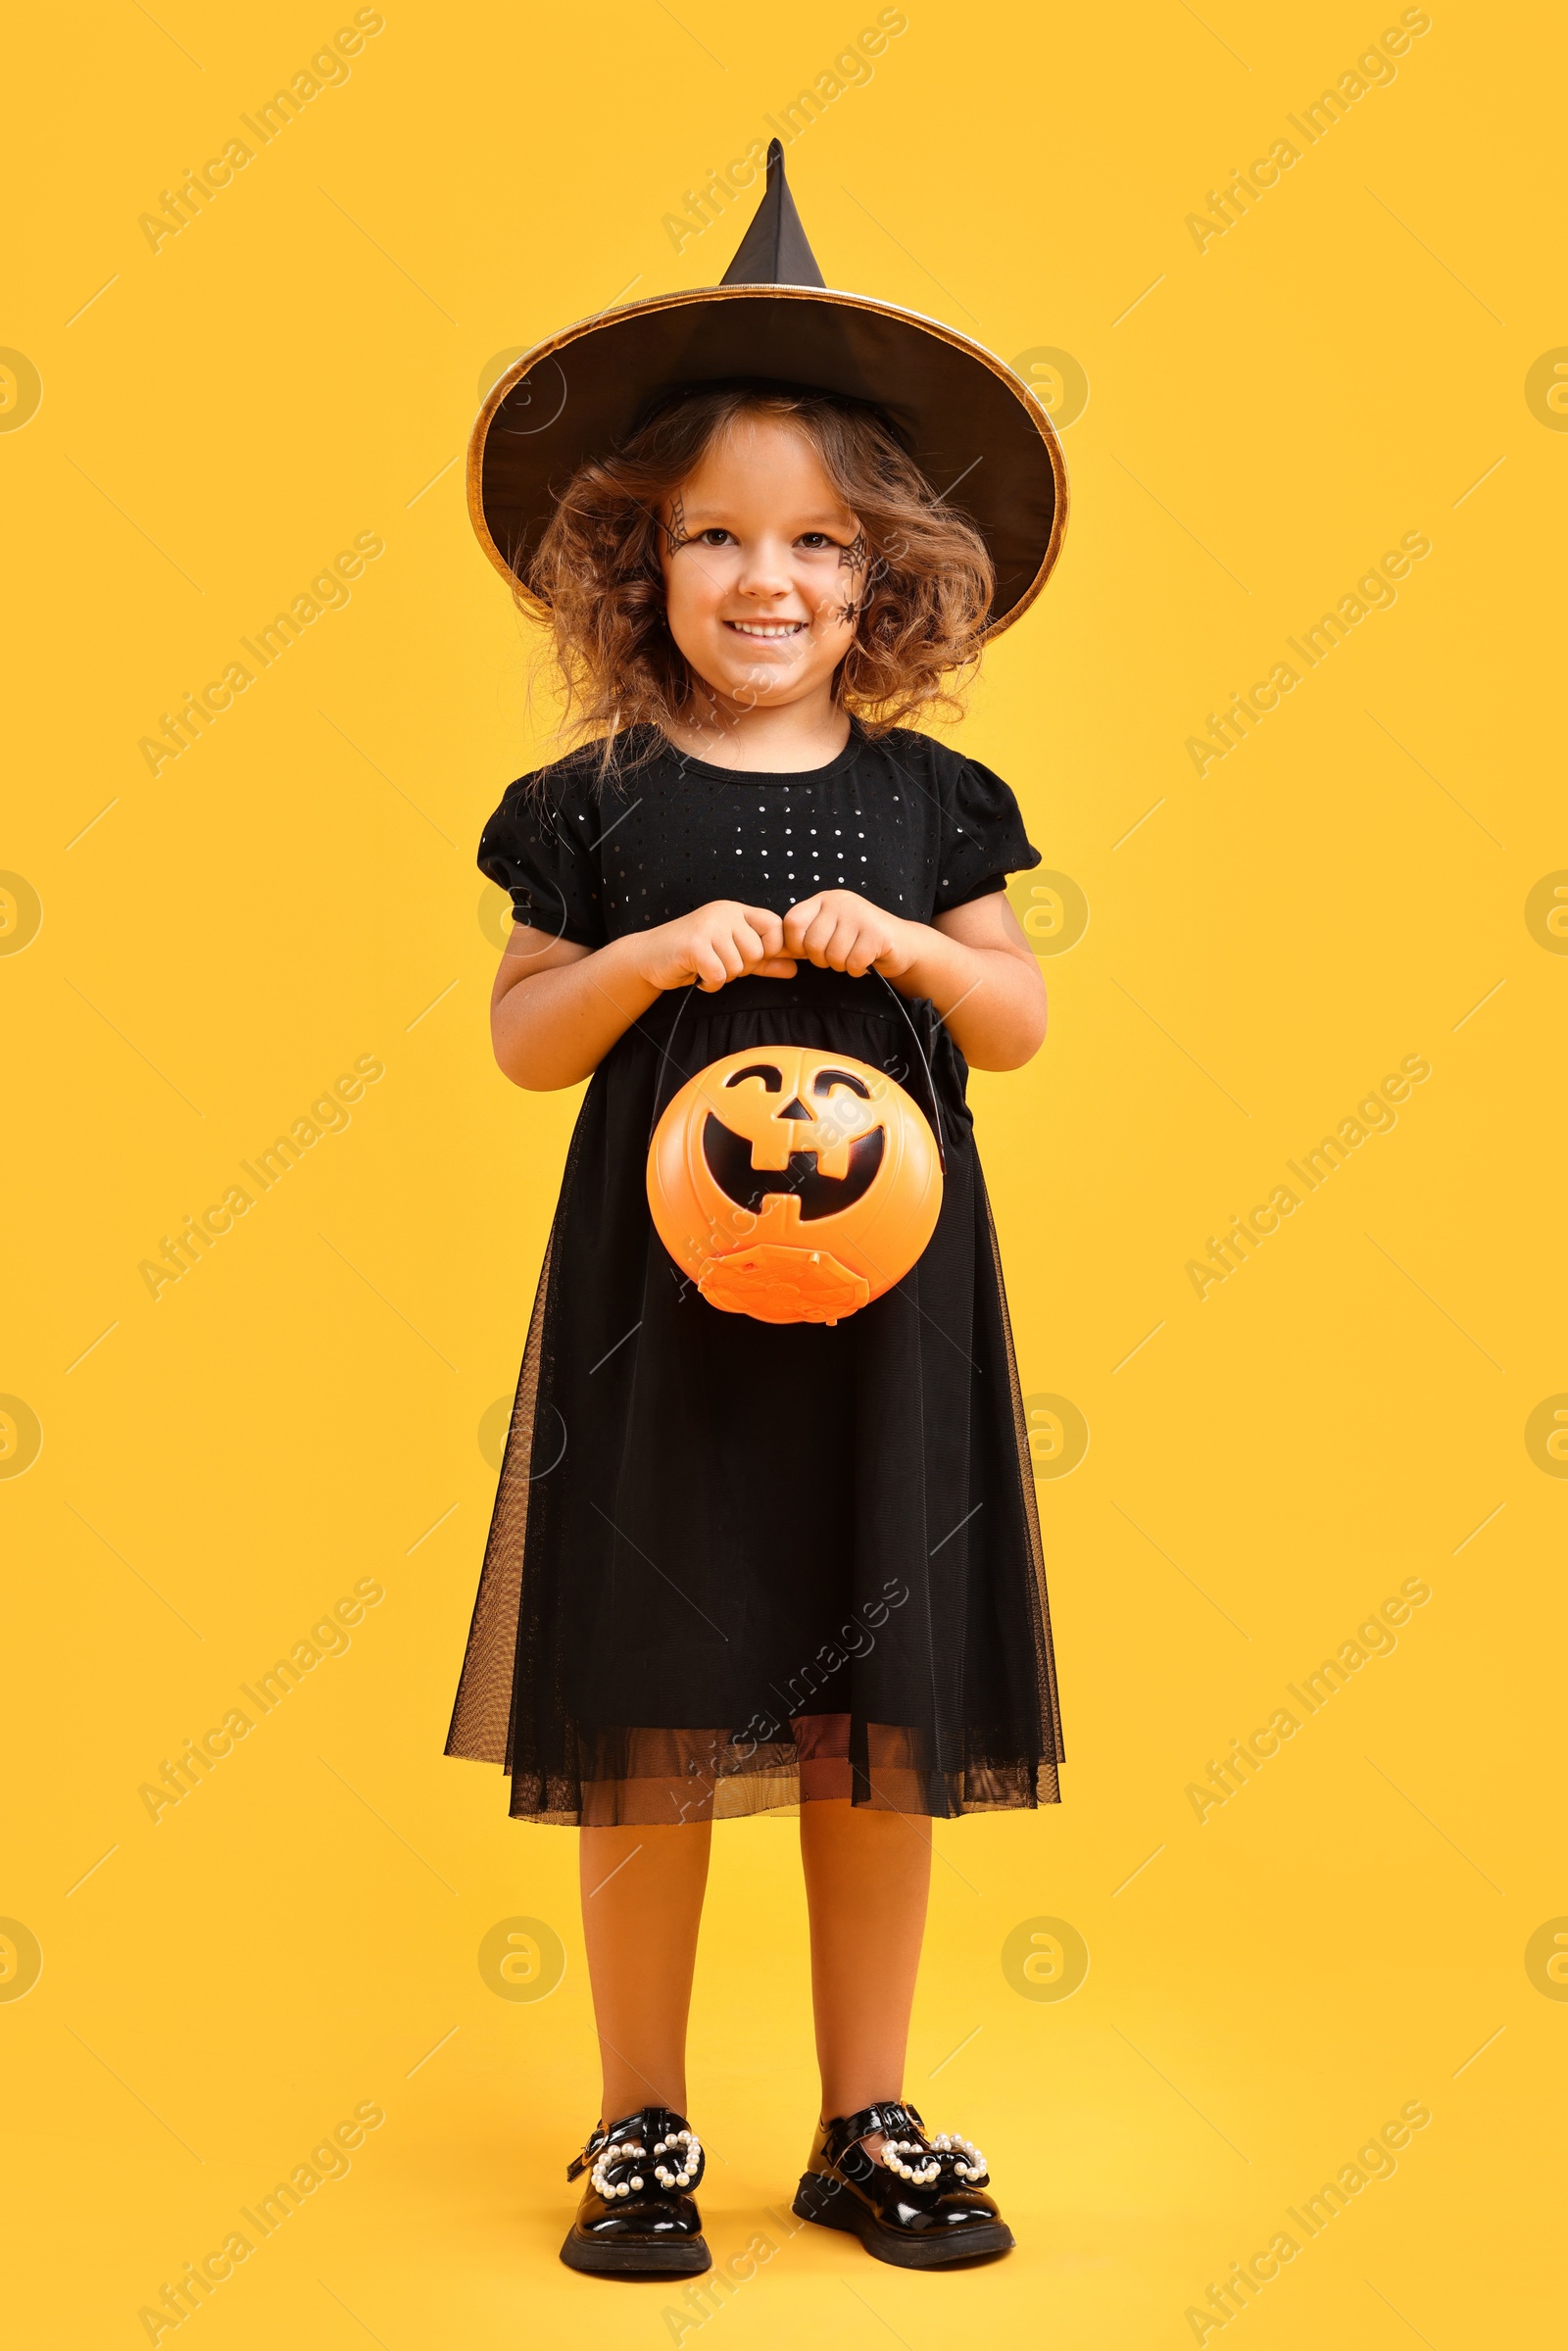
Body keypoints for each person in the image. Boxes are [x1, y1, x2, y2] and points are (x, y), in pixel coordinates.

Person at [446, 146, 1068, 2277]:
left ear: (883, 575)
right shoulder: (589, 807)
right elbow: (527, 1040)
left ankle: (863, 2109)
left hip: (888, 1320)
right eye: (711, 537)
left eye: (812, 539)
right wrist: (640, 956)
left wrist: (901, 948)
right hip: (654, 1320)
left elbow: (1015, 1022)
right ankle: (637, 2124)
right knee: (644, 1700)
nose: (763, 577)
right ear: (639, 570)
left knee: (873, 1715)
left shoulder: (927, 801)